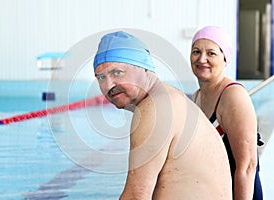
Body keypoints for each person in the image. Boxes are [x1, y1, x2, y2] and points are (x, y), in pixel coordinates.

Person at [93, 31, 232, 199]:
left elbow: (136, 196)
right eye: (101, 77)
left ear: (144, 67)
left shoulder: (155, 108)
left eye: (117, 73)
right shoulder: (169, 98)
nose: (108, 85)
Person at [190, 26, 263, 200]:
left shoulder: (233, 95)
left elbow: (247, 166)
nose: (202, 59)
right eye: (196, 51)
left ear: (225, 58)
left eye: (211, 53)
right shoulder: (196, 96)